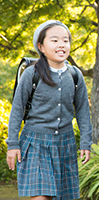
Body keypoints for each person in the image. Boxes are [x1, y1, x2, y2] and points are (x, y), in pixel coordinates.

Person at [6, 20, 93, 200]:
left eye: (65, 40)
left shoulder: (75, 75)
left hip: (66, 144)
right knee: (41, 196)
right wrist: (13, 144)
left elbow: (83, 110)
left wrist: (85, 141)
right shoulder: (32, 74)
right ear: (41, 47)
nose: (61, 44)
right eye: (54, 40)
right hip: (35, 143)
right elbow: (17, 109)